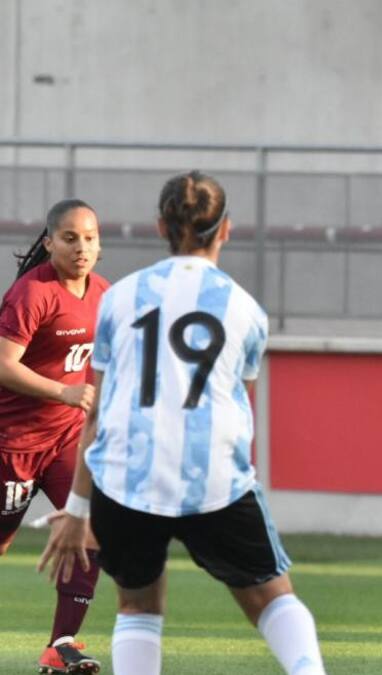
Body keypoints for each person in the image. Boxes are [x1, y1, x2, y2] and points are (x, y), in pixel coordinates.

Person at [38, 171, 326, 675]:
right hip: (213, 478)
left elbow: (98, 412)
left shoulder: (119, 299)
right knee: (272, 597)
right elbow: (241, 404)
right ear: (226, 229)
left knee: (137, 608)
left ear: (159, 226)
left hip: (129, 477)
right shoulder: (245, 311)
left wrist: (78, 508)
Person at [0, 199, 107, 674]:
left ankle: (60, 647)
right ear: (49, 242)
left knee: (90, 528)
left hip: (66, 440)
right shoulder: (32, 293)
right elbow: (3, 365)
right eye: (69, 237)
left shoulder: (105, 293)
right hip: (12, 443)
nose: (81, 247)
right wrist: (64, 391)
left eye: (89, 237)